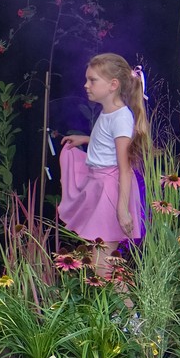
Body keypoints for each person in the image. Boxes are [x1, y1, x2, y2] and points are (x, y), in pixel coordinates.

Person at [58, 53, 150, 277]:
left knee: (102, 264)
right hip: (99, 185)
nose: (86, 85)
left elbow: (125, 167)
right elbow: (109, 144)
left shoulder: (121, 117)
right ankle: (126, 302)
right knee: (99, 260)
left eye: (92, 80)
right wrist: (86, 139)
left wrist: (122, 209)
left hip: (110, 190)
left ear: (113, 85)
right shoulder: (108, 112)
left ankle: (131, 303)